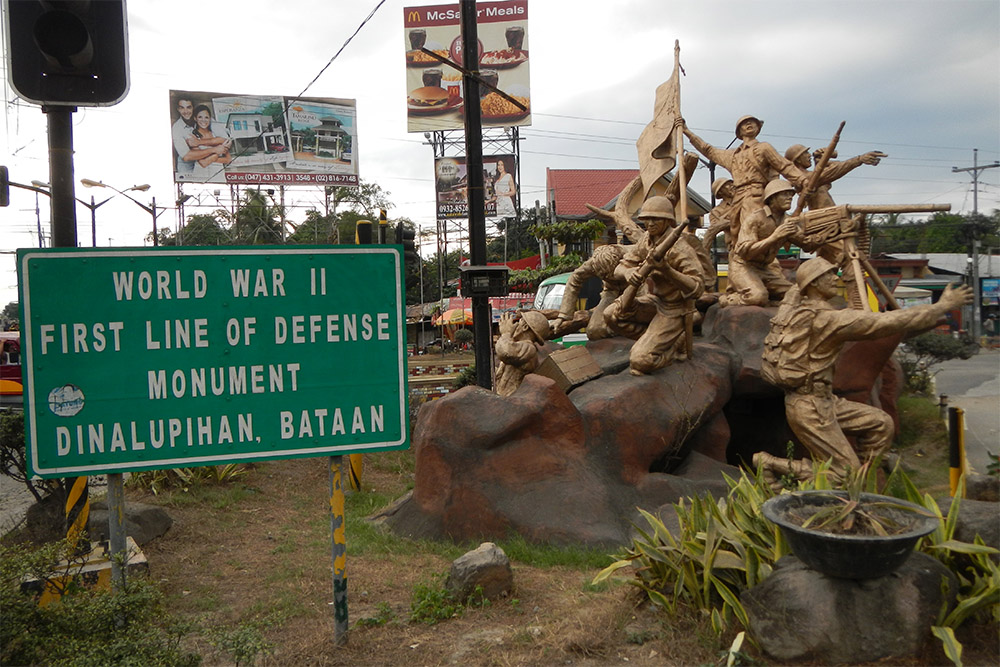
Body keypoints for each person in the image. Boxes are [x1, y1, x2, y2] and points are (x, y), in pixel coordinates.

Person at [755, 257, 973, 487]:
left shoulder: (796, 308)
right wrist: (941, 306)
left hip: (824, 401)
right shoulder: (828, 319)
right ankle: (770, 463)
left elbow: (794, 293)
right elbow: (883, 323)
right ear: (814, 284)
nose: (835, 278)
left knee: (881, 424)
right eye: (828, 275)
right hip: (809, 408)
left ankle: (862, 483)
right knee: (844, 474)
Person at [603, 196, 704, 375]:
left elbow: (697, 287)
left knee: (639, 362)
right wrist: (628, 273)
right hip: (654, 302)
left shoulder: (680, 248)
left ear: (668, 220)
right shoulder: (647, 240)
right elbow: (620, 267)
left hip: (675, 309)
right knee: (610, 315)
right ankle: (656, 341)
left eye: (655, 218)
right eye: (646, 219)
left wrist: (667, 270)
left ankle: (669, 349)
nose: (649, 223)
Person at [683, 115, 806, 240]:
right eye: (745, 123)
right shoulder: (732, 155)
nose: (749, 124)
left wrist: (803, 180)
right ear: (739, 132)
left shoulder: (763, 148)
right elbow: (708, 150)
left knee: (756, 228)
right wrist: (686, 131)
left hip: (756, 196)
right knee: (735, 233)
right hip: (738, 199)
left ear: (758, 128)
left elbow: (784, 166)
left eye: (753, 122)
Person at [719, 179, 797, 308]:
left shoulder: (787, 221)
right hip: (743, 266)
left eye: (791, 194)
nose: (790, 197)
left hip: (765, 268)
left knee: (795, 293)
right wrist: (774, 237)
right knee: (757, 296)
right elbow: (745, 251)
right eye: (785, 194)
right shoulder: (755, 218)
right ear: (772, 198)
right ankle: (730, 299)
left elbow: (807, 244)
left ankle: (769, 301)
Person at [784, 143, 885, 210]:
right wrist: (859, 159)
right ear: (797, 159)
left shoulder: (812, 175)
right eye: (805, 153)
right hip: (822, 218)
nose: (809, 155)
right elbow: (834, 172)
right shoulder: (804, 178)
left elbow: (835, 168)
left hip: (829, 213)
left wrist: (823, 161)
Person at [495, 310, 550, 397]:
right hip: (505, 396)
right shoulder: (520, 345)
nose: (514, 325)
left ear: (524, 327)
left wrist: (506, 333)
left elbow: (505, 352)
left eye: (518, 322)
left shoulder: (528, 348)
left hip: (512, 398)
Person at [189, 104, 233, 180]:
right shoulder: (192, 136)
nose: (203, 120)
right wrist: (217, 153)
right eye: (200, 117)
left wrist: (211, 158)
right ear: (195, 118)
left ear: (210, 119)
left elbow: (228, 159)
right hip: (200, 174)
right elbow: (203, 163)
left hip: (218, 173)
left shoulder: (215, 134)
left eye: (206, 117)